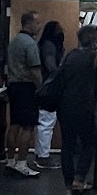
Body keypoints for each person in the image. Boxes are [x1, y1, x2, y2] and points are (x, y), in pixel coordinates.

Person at [56, 24, 97, 195]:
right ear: (95, 39)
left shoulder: (69, 55)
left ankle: (68, 182)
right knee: (89, 142)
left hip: (65, 105)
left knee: (68, 144)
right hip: (85, 105)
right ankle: (79, 178)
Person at [5, 10, 43, 175]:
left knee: (14, 124)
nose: (39, 26)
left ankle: (10, 160)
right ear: (29, 23)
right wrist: (42, 88)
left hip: (13, 86)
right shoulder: (30, 44)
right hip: (27, 87)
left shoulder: (14, 42)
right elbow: (35, 70)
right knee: (28, 126)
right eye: (37, 22)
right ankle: (22, 163)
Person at [34, 19, 65, 163]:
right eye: (59, 29)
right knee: (46, 122)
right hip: (48, 88)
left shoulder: (44, 44)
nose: (62, 32)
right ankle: (43, 156)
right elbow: (51, 66)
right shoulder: (49, 46)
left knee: (44, 122)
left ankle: (41, 153)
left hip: (44, 86)